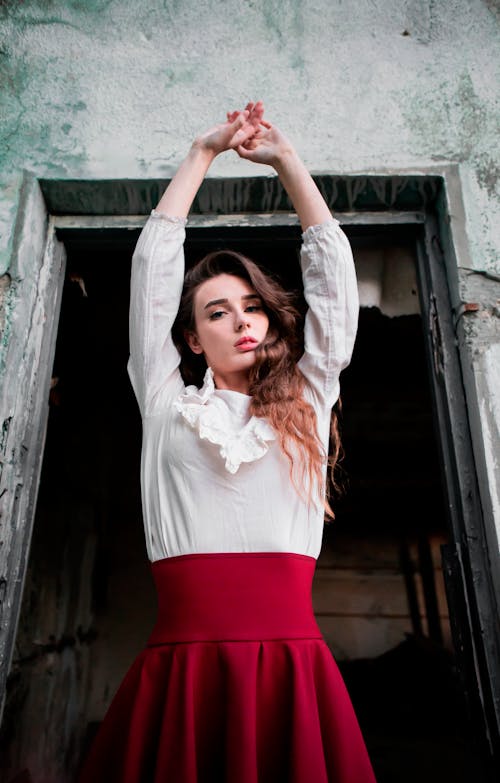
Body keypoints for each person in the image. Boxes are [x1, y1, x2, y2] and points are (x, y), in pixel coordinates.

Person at [79, 102, 376, 782]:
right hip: (184, 664)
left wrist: (287, 162)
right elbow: (152, 274)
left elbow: (334, 293)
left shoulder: (307, 396)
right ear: (191, 337)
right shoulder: (165, 401)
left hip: (290, 667)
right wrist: (200, 155)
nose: (242, 322)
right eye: (218, 311)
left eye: (252, 307)